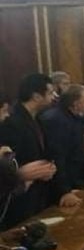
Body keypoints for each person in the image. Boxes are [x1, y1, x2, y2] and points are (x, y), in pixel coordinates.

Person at [0, 74, 59, 228]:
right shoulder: (12, 121)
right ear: (36, 96)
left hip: (38, 193)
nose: (54, 96)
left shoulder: (37, 118)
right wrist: (18, 173)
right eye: (50, 92)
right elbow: (8, 160)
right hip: (19, 200)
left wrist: (48, 167)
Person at [39, 85, 84, 202]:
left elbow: (80, 152)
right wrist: (64, 191)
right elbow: (57, 157)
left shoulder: (75, 117)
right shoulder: (55, 120)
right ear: (76, 103)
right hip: (60, 187)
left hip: (75, 180)